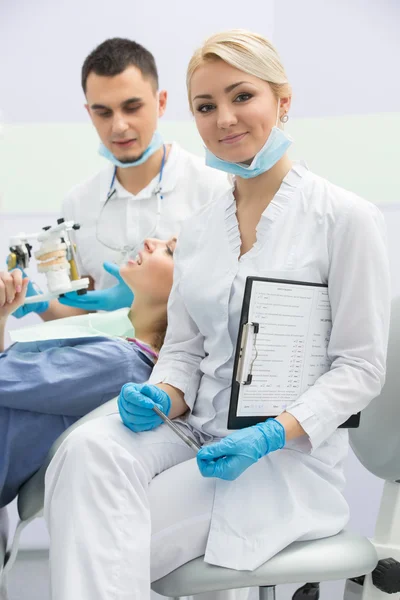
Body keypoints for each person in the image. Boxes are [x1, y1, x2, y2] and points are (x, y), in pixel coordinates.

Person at [43, 30, 390, 600]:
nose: (224, 118)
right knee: (85, 453)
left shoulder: (344, 218)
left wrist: (276, 431)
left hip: (282, 458)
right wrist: (163, 393)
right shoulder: (201, 228)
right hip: (193, 426)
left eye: (241, 96)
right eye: (205, 106)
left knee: (102, 533)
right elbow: (182, 348)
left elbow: (360, 367)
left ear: (282, 100)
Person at [12, 37, 229, 321]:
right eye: (103, 112)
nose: (119, 126)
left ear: (160, 102)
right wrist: (40, 302)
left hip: (186, 360)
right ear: (89, 113)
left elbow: (228, 301)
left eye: (132, 107)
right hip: (107, 361)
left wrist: (160, 296)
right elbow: (80, 310)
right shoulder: (78, 204)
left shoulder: (214, 187)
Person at [0, 237, 176, 507]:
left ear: (186, 290)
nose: (151, 241)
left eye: (170, 251)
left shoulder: (120, 364)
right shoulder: (121, 352)